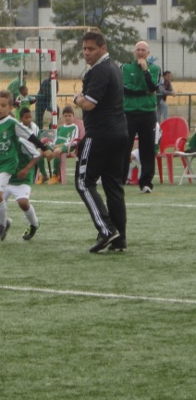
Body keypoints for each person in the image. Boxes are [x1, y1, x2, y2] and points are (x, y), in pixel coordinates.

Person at [72, 31, 128, 253]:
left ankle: (106, 230)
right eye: (84, 49)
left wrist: (76, 98)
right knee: (113, 186)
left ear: (103, 48)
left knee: (83, 182)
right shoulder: (114, 67)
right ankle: (119, 240)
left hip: (100, 134)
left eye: (91, 49)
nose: (86, 53)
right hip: (119, 133)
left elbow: (89, 104)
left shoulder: (100, 70)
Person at [0, 89, 51, 241]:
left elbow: (32, 142)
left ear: (10, 108)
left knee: (17, 201)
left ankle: (29, 224)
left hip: (14, 174)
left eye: (3, 105)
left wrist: (42, 150)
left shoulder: (17, 133)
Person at [121, 40, 160, 194]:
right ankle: (120, 181)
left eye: (143, 50)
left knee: (147, 149)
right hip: (129, 112)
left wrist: (145, 70)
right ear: (134, 52)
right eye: (138, 49)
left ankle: (146, 183)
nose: (140, 52)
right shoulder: (125, 68)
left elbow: (153, 86)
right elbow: (125, 88)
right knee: (124, 147)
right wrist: (144, 92)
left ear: (148, 52)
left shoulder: (154, 69)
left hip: (147, 113)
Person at [37, 105, 79, 185]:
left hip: (67, 147)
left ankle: (55, 175)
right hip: (56, 146)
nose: (67, 118)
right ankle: (43, 175)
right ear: (63, 117)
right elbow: (55, 140)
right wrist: (50, 144)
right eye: (65, 116)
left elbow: (74, 142)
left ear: (73, 116)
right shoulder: (60, 128)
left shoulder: (74, 127)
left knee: (57, 151)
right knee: (39, 151)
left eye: (69, 116)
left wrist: (60, 145)